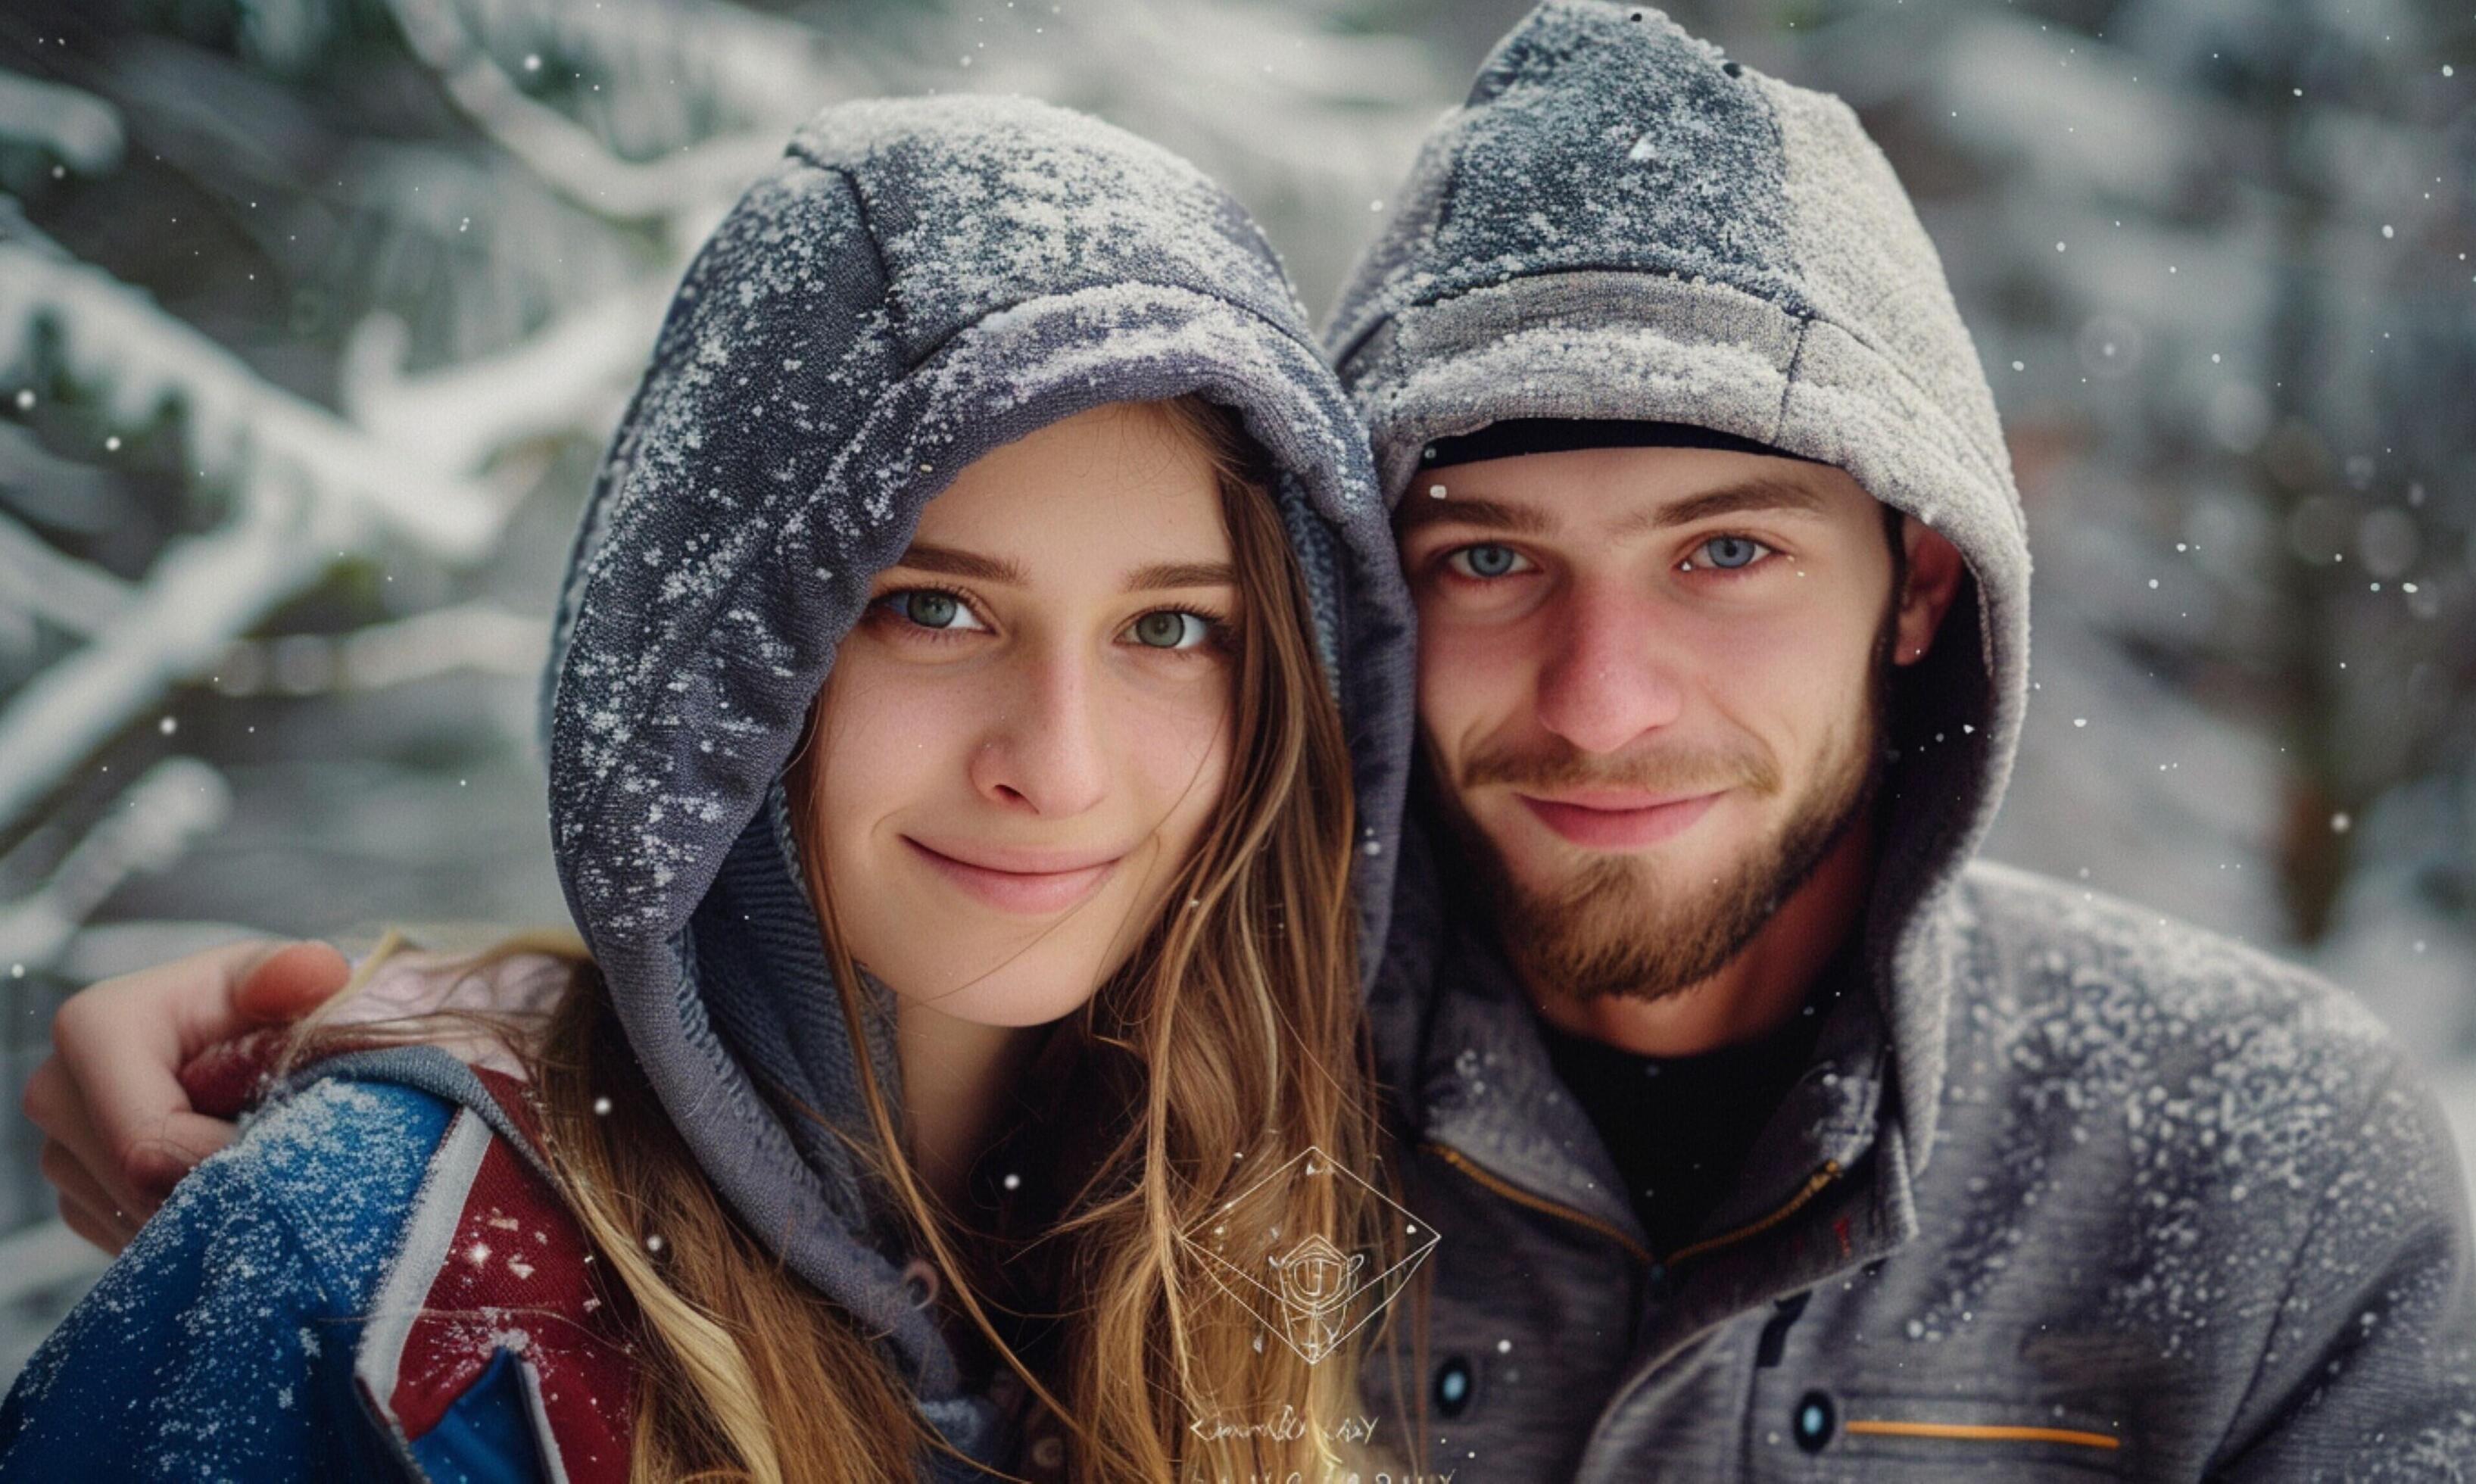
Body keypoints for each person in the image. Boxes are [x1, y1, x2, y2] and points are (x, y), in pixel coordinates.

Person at [28, 3, 2476, 1479]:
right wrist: (393, 1058)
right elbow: (761, 1069)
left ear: (1917, 576)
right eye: (1486, 561)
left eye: (1727, 552)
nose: (1602, 698)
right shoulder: (1207, 1074)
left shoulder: (2242, 1169)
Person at [3, 93, 1424, 1484]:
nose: (1054, 766)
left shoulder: (1316, 1239)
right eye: (930, 609)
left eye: (1170, 630)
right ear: (715, 664)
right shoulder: (369, 1273)